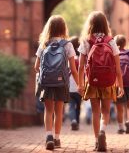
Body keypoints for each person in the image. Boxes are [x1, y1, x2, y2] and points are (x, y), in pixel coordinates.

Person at [78, 11, 124, 151]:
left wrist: (80, 84)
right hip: (108, 81)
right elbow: (117, 66)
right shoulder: (111, 40)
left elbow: (80, 66)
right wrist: (120, 85)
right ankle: (103, 131)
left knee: (95, 112)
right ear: (105, 24)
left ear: (90, 25)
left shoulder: (86, 40)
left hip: (92, 82)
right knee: (105, 111)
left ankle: (97, 140)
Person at [34, 15, 79, 150]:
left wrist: (45, 73)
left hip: (47, 82)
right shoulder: (68, 44)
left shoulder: (44, 44)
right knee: (59, 111)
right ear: (63, 28)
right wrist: (79, 84)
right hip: (61, 82)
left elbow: (36, 67)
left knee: (48, 110)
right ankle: (57, 139)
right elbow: (73, 68)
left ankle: (48, 136)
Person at [114, 35, 129, 134]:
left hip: (118, 83)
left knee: (119, 106)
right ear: (125, 43)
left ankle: (120, 127)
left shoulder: (114, 54)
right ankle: (128, 121)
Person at [68, 36, 82, 131]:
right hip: (78, 85)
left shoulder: (68, 58)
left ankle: (73, 120)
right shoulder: (80, 58)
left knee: (71, 105)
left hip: (69, 86)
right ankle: (77, 121)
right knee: (78, 106)